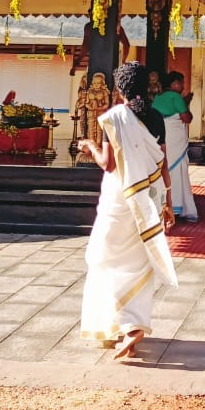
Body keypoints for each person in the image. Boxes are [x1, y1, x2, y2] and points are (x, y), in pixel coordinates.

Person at [78, 61, 178, 360]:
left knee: (101, 259)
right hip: (147, 199)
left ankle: (116, 326)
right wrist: (168, 203)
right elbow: (163, 163)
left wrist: (89, 147)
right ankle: (132, 325)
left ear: (119, 89)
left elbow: (108, 164)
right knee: (139, 263)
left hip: (119, 199)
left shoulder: (115, 118)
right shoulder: (157, 118)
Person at [152, 71, 199, 222]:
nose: (183, 86)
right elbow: (186, 118)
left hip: (160, 139)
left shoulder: (157, 97)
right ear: (173, 84)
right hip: (175, 140)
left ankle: (160, 205)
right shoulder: (176, 97)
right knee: (177, 172)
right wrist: (185, 106)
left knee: (161, 171)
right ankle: (177, 206)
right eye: (181, 83)